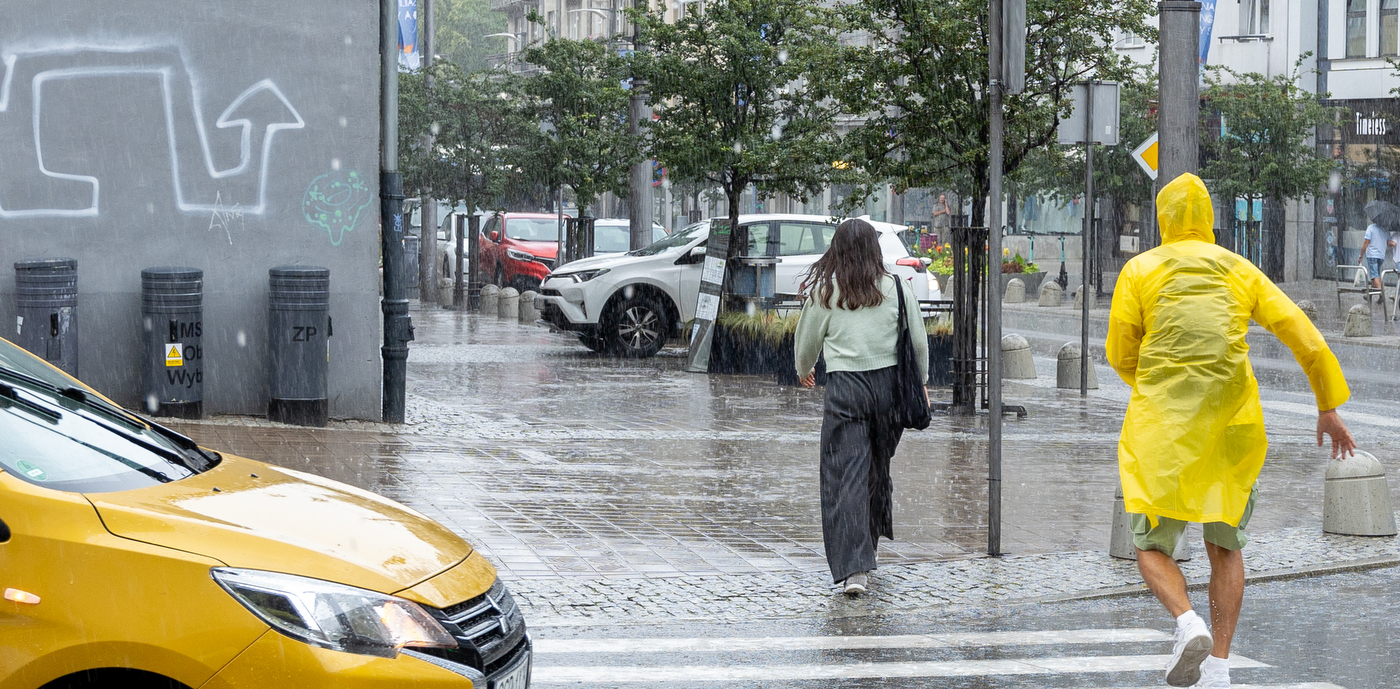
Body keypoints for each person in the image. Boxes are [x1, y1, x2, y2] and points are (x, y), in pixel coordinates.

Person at [1107, 173, 1356, 688]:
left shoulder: (1140, 271)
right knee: (1225, 546)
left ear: (1163, 219)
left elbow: (1121, 352)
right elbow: (1301, 333)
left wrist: (1157, 381)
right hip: (1232, 427)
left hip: (1165, 430)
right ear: (1210, 220)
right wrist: (1327, 404)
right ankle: (1218, 666)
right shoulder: (1239, 269)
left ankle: (1187, 622)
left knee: (1151, 546)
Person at [794, 219, 928, 596]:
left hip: (846, 390)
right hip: (889, 391)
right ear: (874, 249)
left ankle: (856, 569)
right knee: (875, 470)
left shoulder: (827, 291)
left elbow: (806, 343)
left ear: (837, 250)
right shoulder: (896, 287)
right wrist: (923, 383)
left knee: (845, 477)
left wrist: (803, 369)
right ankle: (869, 547)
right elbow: (918, 341)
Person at [1358, 220, 1388, 288]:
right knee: (1375, 275)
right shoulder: (1385, 229)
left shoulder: (1371, 227)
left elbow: (1366, 241)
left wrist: (1361, 256)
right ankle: (1370, 295)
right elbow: (1388, 242)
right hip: (1381, 256)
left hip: (1372, 255)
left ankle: (1381, 294)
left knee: (1374, 275)